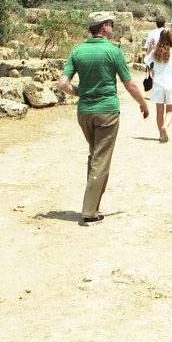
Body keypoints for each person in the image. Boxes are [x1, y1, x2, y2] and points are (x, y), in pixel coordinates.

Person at [58, 11, 149, 226]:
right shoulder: (113, 52)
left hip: (85, 112)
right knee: (101, 160)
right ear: (103, 27)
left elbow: (62, 84)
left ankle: (94, 204)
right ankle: (89, 212)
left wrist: (81, 93)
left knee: (95, 156)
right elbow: (129, 84)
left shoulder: (77, 51)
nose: (113, 27)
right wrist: (143, 104)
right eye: (111, 24)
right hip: (107, 111)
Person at [144, 28, 172, 143]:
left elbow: (146, 60)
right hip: (171, 84)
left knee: (159, 111)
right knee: (170, 110)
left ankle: (161, 135)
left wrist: (152, 47)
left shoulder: (156, 51)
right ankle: (165, 126)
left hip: (158, 84)